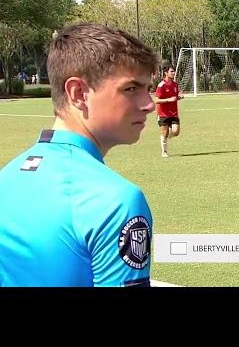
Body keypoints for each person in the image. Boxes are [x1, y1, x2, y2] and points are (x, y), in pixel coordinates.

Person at [0, 23, 158, 287]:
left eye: (147, 88)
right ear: (78, 93)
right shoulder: (116, 200)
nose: (149, 104)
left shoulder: (7, 176)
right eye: (131, 89)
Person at [155, 64, 184, 157]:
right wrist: (168, 100)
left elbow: (176, 94)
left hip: (173, 113)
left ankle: (165, 137)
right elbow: (157, 100)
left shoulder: (175, 84)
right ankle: (164, 152)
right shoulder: (161, 85)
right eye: (171, 71)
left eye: (174, 71)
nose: (173, 73)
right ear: (166, 73)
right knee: (165, 132)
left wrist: (180, 96)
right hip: (163, 113)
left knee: (176, 132)